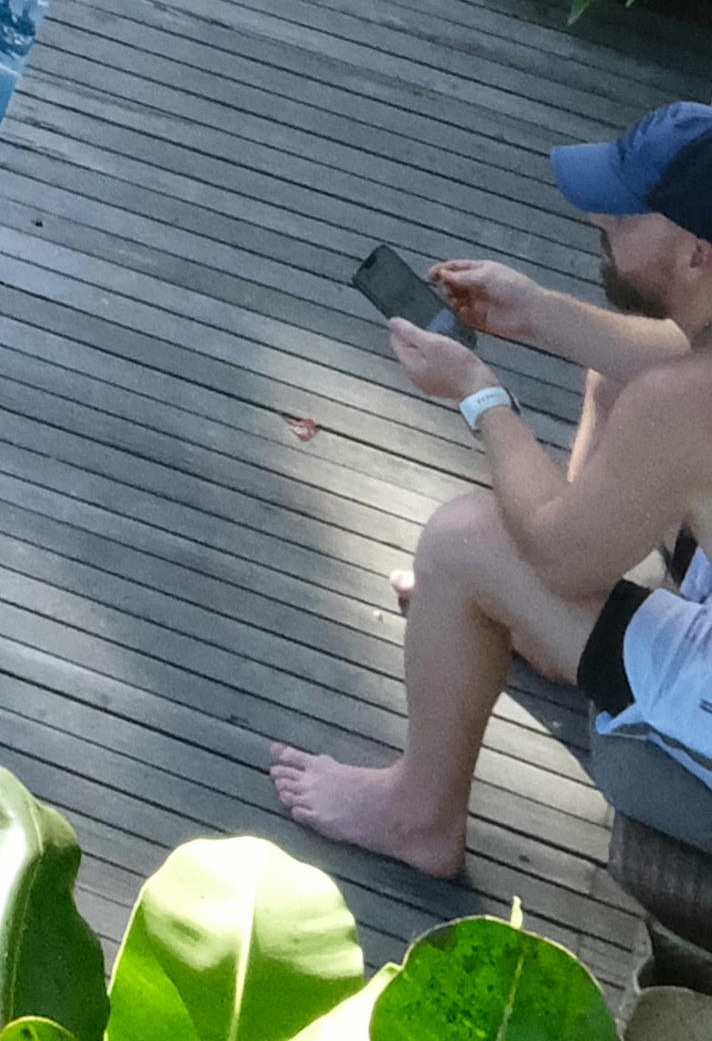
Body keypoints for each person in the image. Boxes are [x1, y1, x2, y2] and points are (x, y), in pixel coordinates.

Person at [274, 106, 712, 874]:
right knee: (614, 382)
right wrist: (537, 314)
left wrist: (479, 394)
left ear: (697, 254)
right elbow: (665, 360)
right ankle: (548, 630)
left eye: (623, 215)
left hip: (694, 772)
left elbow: (557, 555)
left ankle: (418, 818)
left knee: (464, 541)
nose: (598, 218)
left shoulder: (684, 406)